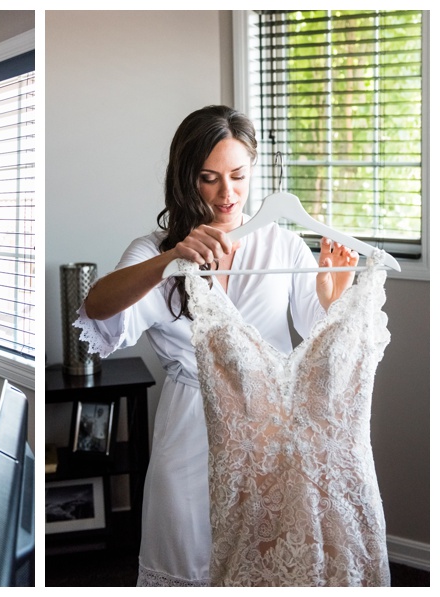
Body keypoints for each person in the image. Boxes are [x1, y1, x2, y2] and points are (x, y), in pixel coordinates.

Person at [74, 105, 359, 586]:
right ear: (187, 179)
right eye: (209, 179)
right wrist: (172, 258)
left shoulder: (282, 247)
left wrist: (333, 299)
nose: (227, 194)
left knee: (262, 562)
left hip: (266, 430)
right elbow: (98, 307)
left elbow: (320, 348)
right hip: (189, 427)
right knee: (188, 562)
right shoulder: (154, 251)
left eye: (238, 176)